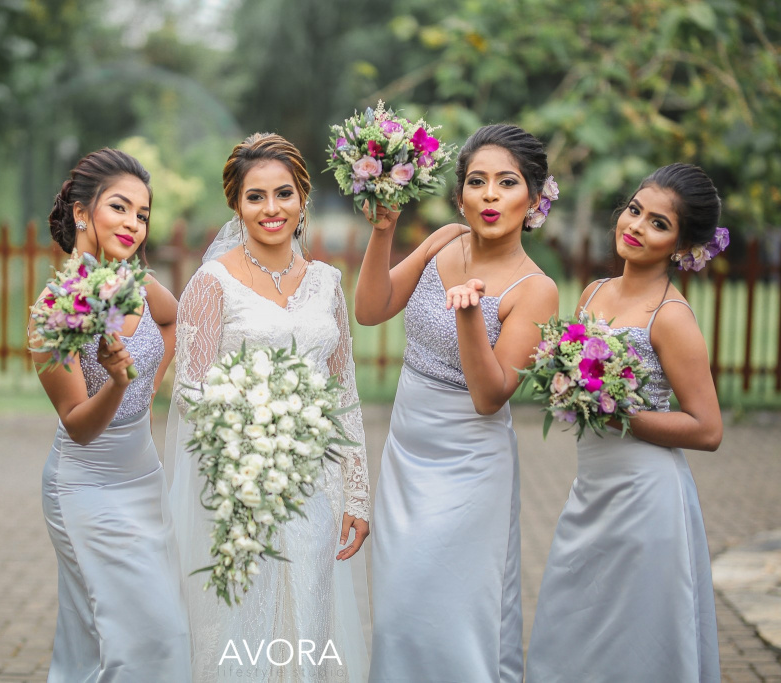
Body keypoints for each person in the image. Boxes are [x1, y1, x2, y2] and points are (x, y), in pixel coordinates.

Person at [356, 124, 560, 682]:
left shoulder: (535, 289)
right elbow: (371, 310)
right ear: (460, 194)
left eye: (507, 182)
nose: (490, 195)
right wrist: (383, 231)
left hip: (469, 467)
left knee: (451, 615)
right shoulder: (445, 240)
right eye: (477, 181)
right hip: (406, 453)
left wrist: (470, 315)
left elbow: (490, 396)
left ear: (534, 199)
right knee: (397, 613)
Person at [165, 132, 371, 682]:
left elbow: (344, 392)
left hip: (316, 487)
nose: (271, 208)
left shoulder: (327, 284)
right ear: (236, 204)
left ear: (303, 197)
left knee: (309, 623)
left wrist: (356, 491)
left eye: (283, 193)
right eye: (255, 196)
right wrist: (252, 433)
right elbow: (189, 389)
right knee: (241, 630)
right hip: (240, 484)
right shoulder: (212, 284)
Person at [525, 163, 724, 683]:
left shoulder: (671, 317)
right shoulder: (593, 293)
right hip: (590, 490)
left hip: (646, 500)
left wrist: (621, 416)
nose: (636, 226)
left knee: (635, 643)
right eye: (635, 210)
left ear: (682, 245)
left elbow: (708, 429)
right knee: (571, 627)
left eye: (659, 224)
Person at [30, 147, 190, 682]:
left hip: (144, 479)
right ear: (82, 212)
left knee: (115, 640)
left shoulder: (138, 285)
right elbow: (77, 424)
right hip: (87, 489)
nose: (133, 224)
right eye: (119, 207)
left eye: (142, 214)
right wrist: (120, 382)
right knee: (148, 636)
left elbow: (173, 320)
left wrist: (147, 384)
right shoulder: (54, 310)